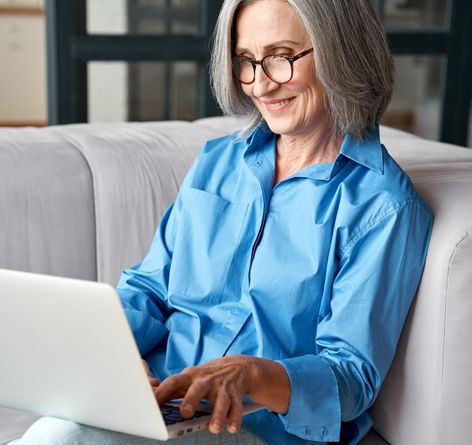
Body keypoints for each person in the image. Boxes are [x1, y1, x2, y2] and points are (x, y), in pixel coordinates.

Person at [11, 0, 433, 444]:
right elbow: (150, 288)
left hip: (256, 428)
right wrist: (113, 350)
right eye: (245, 62)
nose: (260, 84)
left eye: (280, 57)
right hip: (161, 401)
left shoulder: (384, 207)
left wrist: (251, 374)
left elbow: (349, 376)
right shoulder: (218, 163)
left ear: (341, 51)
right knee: (59, 431)